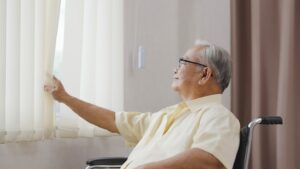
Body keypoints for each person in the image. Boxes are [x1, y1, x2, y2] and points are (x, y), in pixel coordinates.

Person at [44, 43, 240, 169]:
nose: (175, 69)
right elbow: (112, 120)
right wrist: (65, 98)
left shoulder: (219, 117)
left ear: (205, 75)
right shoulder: (166, 115)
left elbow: (208, 159)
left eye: (183, 62)